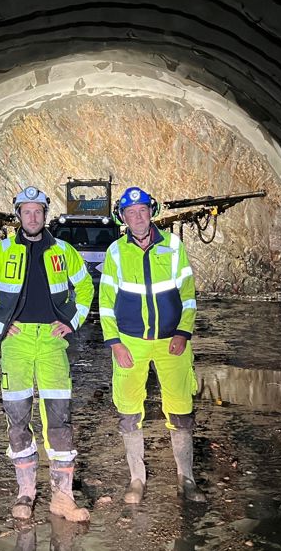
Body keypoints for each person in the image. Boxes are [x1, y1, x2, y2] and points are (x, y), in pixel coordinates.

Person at [0, 186, 94, 522]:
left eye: (38, 211)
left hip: (53, 343)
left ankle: (62, 498)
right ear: (18, 215)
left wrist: (72, 320)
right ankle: (26, 492)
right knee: (18, 417)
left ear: (45, 215)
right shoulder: (1, 251)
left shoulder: (63, 251)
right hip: (16, 343)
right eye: (27, 211)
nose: (33, 217)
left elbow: (85, 287)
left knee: (59, 417)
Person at [99, 186, 206, 504]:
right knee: (129, 411)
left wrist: (183, 333)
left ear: (152, 212)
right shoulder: (116, 252)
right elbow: (106, 303)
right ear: (124, 217)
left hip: (171, 341)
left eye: (142, 211)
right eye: (131, 213)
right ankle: (136, 480)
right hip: (131, 343)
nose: (137, 217)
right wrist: (115, 343)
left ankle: (186, 478)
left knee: (181, 410)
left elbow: (188, 295)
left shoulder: (173, 247)